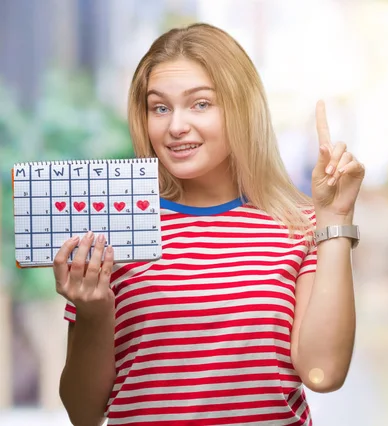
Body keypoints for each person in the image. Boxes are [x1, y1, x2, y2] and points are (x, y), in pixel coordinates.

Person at [53, 23, 365, 426]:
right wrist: (93, 313)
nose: (175, 126)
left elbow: (324, 372)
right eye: (159, 107)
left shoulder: (301, 226)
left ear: (241, 107)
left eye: (200, 104)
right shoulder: (117, 226)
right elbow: (83, 413)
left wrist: (336, 220)